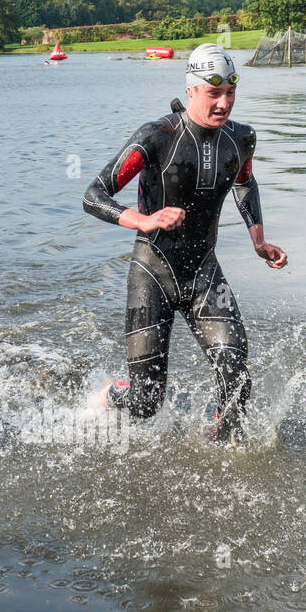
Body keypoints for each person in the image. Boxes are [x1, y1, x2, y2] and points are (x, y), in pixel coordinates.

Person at [82, 43, 287, 444]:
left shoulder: (242, 138)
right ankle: (110, 394)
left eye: (230, 92)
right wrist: (143, 219)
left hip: (204, 273)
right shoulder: (157, 136)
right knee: (146, 402)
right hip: (152, 271)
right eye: (214, 93)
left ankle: (218, 459)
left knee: (238, 380)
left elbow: (244, 181)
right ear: (192, 90)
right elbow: (94, 195)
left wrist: (258, 240)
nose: (224, 102)